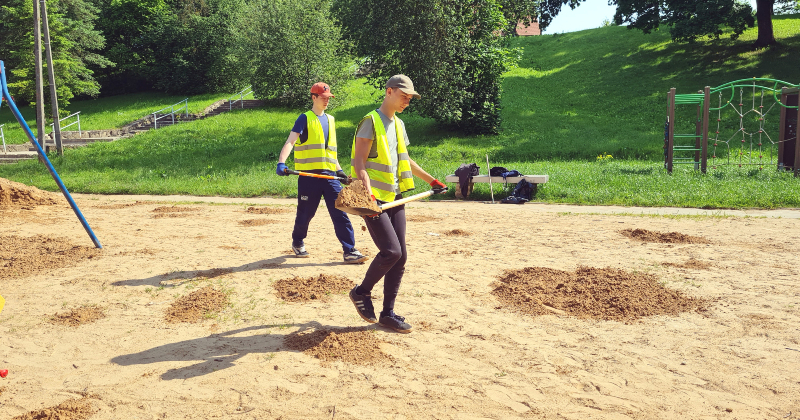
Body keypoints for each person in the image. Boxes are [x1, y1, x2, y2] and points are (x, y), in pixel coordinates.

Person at [347, 74, 447, 333]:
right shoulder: (370, 121)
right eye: (404, 96)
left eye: (410, 98)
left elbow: (405, 159)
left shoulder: (399, 125)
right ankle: (361, 292)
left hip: (396, 196)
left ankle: (388, 314)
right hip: (372, 199)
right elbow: (359, 162)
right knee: (391, 252)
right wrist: (367, 189)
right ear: (389, 92)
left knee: (400, 258)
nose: (407, 101)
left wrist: (432, 180)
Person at [276, 82, 368, 264]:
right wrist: (281, 162)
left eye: (328, 98)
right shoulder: (305, 118)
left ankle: (350, 250)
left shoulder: (331, 120)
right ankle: (298, 241)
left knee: (340, 212)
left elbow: (330, 151)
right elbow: (290, 142)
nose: (327, 101)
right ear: (314, 97)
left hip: (329, 176)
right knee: (306, 214)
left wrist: (339, 171)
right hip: (309, 177)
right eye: (323, 98)